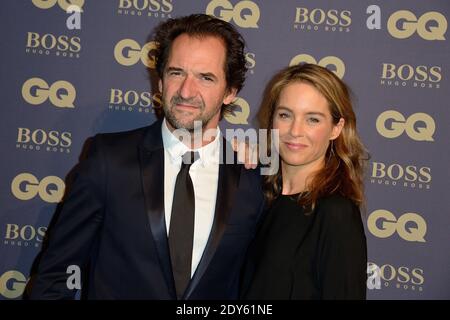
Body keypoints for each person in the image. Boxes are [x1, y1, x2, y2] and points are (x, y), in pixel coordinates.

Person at [27, 14, 264, 300]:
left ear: (230, 92)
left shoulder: (250, 176)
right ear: (161, 82)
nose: (187, 91)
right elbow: (56, 277)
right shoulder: (108, 161)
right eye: (176, 72)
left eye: (205, 77)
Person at [241, 64, 368, 300]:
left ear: (336, 128)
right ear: (271, 120)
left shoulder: (335, 214)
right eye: (285, 115)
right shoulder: (257, 193)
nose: (295, 131)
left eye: (313, 119)